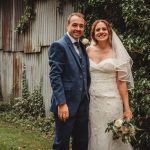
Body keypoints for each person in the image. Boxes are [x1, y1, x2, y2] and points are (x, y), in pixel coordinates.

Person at [87, 20, 134, 150]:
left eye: (103, 29)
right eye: (98, 30)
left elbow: (121, 83)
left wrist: (127, 108)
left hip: (112, 102)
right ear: (93, 33)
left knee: (113, 136)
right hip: (94, 102)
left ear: (109, 31)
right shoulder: (87, 51)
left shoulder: (116, 53)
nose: (101, 32)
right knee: (97, 133)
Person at [48, 12, 91, 150]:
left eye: (81, 26)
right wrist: (62, 103)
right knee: (62, 144)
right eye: (75, 25)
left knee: (81, 143)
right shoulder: (58, 45)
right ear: (67, 25)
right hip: (66, 105)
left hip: (83, 105)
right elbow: (55, 76)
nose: (78, 28)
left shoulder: (82, 46)